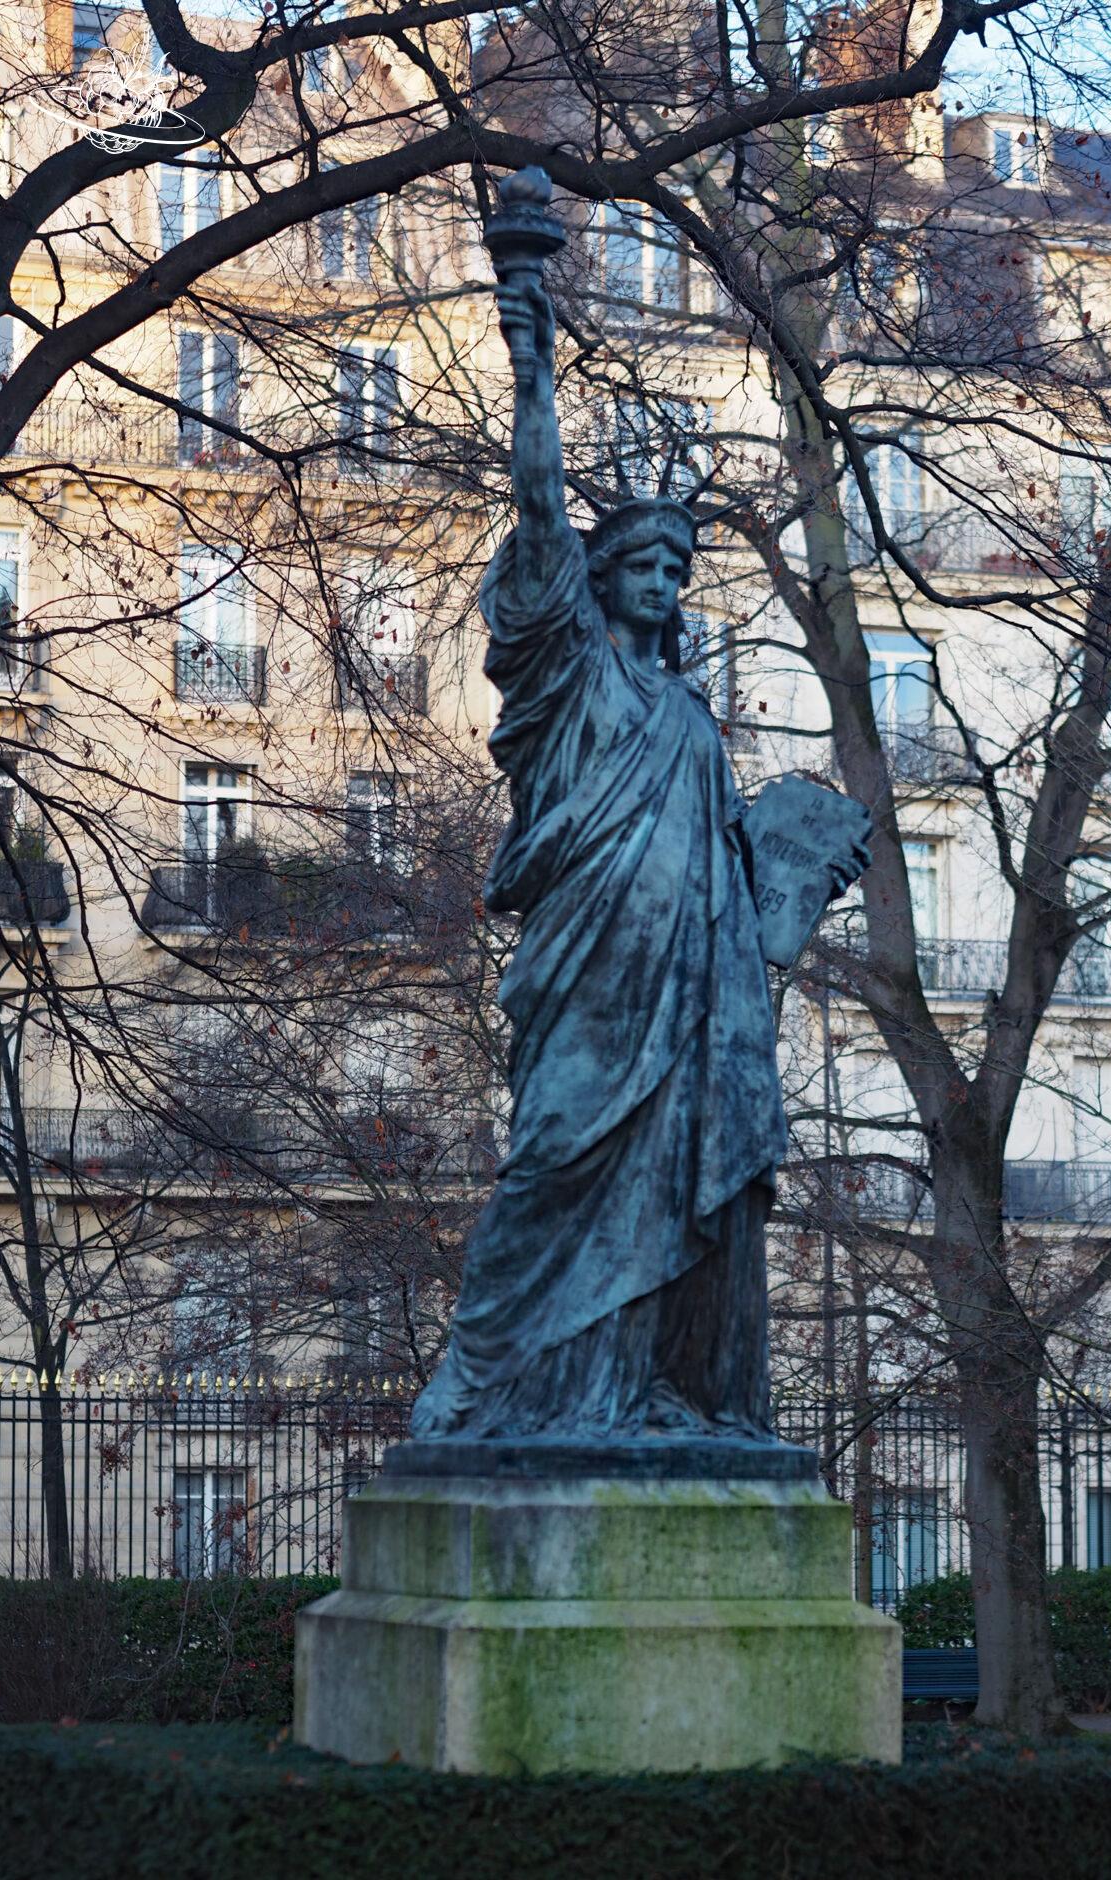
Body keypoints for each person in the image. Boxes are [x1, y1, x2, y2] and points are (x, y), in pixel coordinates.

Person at [408, 275, 788, 1440]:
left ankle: (630, 1392)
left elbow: (731, 893)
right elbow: (534, 507)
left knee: (664, 1192)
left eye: (675, 572)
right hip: (585, 979)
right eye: (640, 563)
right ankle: (480, 1379)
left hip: (681, 999)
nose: (661, 581)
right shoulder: (572, 673)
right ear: (598, 576)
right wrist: (529, 353)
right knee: (554, 1164)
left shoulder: (690, 720)